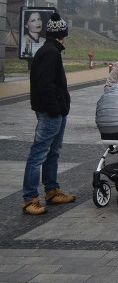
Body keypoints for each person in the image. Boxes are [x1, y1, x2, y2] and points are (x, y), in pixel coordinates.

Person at [22, 12, 76, 215]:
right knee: (38, 154)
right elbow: (45, 86)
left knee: (52, 152)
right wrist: (55, 108)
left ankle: (52, 190)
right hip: (51, 112)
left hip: (56, 110)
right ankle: (30, 199)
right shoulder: (50, 53)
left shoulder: (50, 50)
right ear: (62, 34)